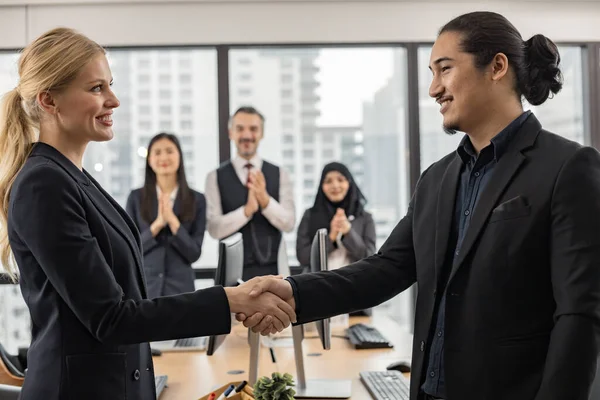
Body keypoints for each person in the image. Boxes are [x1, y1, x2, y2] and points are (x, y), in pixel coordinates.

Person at [238, 11, 600, 400]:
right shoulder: (437, 179)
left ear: (496, 66)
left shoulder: (567, 167)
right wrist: (292, 290)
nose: (433, 89)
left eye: (445, 69)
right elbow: (385, 270)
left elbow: (579, 315)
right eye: (431, 72)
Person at [0, 28, 295, 400]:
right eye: (96, 89)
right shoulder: (43, 184)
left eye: (110, 85)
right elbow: (111, 317)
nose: (114, 100)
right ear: (49, 101)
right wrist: (230, 299)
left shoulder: (73, 178)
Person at [205, 106, 295, 280]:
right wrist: (247, 211)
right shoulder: (214, 177)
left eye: (253, 129)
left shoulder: (280, 173)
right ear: (231, 133)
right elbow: (214, 229)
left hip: (275, 273)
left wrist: (265, 201)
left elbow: (289, 223)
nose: (246, 135)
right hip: (231, 276)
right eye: (240, 129)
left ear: (261, 133)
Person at [126, 133, 206, 299]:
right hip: (145, 289)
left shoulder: (196, 200)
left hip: (182, 291)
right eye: (157, 152)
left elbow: (194, 253)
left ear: (179, 156)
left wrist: (173, 222)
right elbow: (130, 249)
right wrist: (157, 225)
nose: (164, 157)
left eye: (169, 151)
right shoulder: (136, 198)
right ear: (149, 160)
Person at [296, 162, 375, 270]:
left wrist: (348, 232)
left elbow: (369, 257)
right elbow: (303, 258)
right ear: (321, 186)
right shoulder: (309, 215)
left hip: (356, 283)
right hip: (318, 282)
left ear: (349, 183)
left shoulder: (364, 217)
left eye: (340, 180)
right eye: (328, 181)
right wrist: (331, 237)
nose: (335, 185)